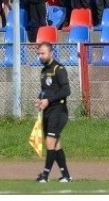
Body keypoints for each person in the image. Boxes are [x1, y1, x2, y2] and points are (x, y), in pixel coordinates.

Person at [34, 42, 72, 183]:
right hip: (48, 111)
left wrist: (49, 100)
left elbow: (66, 91)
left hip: (59, 110)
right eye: (39, 53)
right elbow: (45, 90)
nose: (40, 56)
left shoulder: (59, 69)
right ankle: (66, 175)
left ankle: (45, 175)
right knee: (55, 144)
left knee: (50, 142)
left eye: (43, 53)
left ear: (51, 53)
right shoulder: (43, 71)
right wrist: (40, 99)